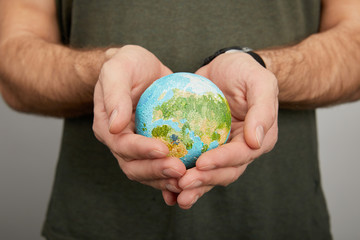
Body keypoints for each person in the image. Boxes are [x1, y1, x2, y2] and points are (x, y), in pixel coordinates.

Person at [0, 0, 359, 239]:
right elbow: (12, 59)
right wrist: (104, 71)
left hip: (278, 223)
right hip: (98, 223)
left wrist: (262, 69)